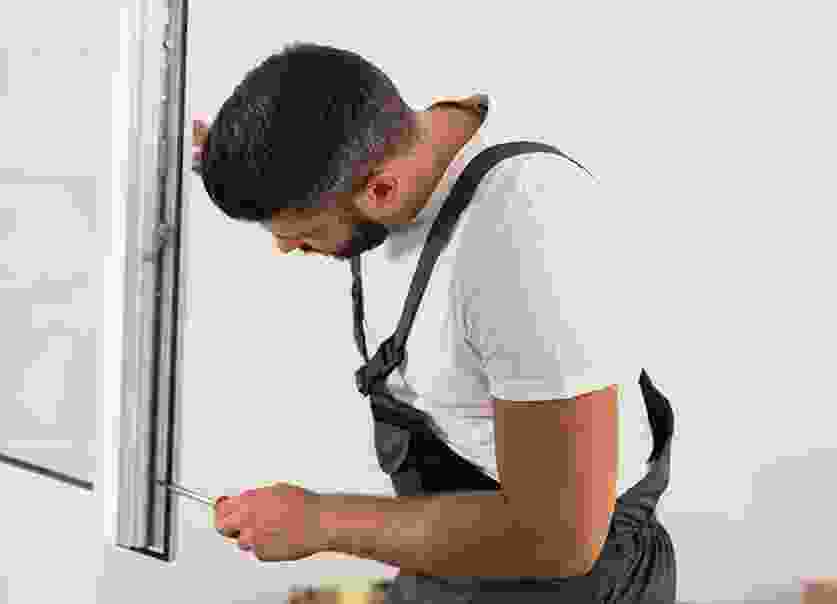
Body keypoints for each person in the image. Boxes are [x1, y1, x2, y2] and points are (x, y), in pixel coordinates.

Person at [191, 43, 677, 603]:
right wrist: (239, 158)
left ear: (381, 191)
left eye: (303, 233)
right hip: (466, 548)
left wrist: (319, 522)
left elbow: (560, 538)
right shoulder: (392, 150)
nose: (285, 247)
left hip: (568, 577)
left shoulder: (526, 238)